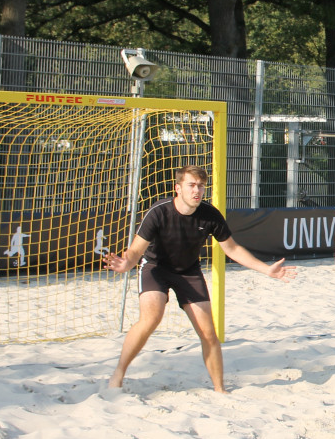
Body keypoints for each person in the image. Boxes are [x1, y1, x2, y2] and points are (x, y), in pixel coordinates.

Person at [103, 165, 295, 393]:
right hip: (155, 267)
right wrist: (127, 263)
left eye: (201, 186)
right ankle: (119, 373)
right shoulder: (159, 211)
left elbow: (232, 249)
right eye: (191, 185)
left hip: (188, 271)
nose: (197, 190)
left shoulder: (210, 214)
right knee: (151, 318)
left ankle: (219, 389)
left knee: (208, 333)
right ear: (178, 188)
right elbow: (136, 250)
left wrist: (266, 270)